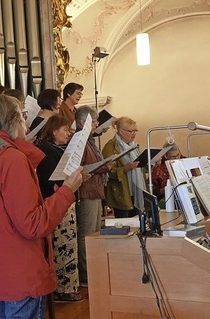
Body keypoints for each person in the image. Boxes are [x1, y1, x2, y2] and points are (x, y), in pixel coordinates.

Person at [0, 94, 83, 318]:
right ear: (14, 121)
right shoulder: (12, 159)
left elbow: (2, 214)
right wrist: (67, 191)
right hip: (17, 269)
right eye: (23, 116)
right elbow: (32, 224)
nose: (26, 123)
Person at [35, 115, 83, 302]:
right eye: (65, 130)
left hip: (65, 199)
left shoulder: (59, 149)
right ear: (54, 130)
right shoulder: (45, 148)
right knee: (63, 245)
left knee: (69, 244)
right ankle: (62, 288)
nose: (69, 133)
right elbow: (46, 179)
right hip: (55, 200)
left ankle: (68, 286)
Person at [74, 106, 114, 287]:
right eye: (95, 121)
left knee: (95, 232)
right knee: (87, 234)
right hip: (86, 191)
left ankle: (93, 270)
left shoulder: (88, 140)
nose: (97, 124)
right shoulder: (79, 141)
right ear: (83, 122)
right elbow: (81, 168)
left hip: (95, 189)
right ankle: (85, 273)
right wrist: (104, 166)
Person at [102, 116, 145, 218]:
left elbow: (139, 168)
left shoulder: (134, 146)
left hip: (136, 191)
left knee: (137, 224)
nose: (134, 134)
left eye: (135, 131)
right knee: (124, 224)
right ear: (120, 131)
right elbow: (106, 171)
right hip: (121, 193)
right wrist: (124, 169)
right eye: (131, 131)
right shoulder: (110, 146)